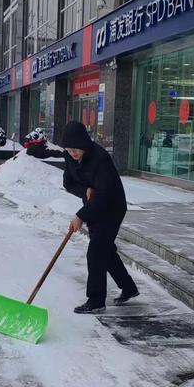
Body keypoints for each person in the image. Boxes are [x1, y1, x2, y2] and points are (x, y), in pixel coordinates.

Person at [62, 121, 139, 314]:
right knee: (105, 250)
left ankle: (96, 300)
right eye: (70, 150)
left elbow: (104, 195)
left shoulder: (100, 158)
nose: (73, 154)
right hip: (92, 207)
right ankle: (128, 287)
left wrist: (80, 216)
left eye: (76, 150)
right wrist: (85, 189)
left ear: (84, 144)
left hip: (111, 208)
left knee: (96, 251)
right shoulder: (70, 157)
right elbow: (68, 183)